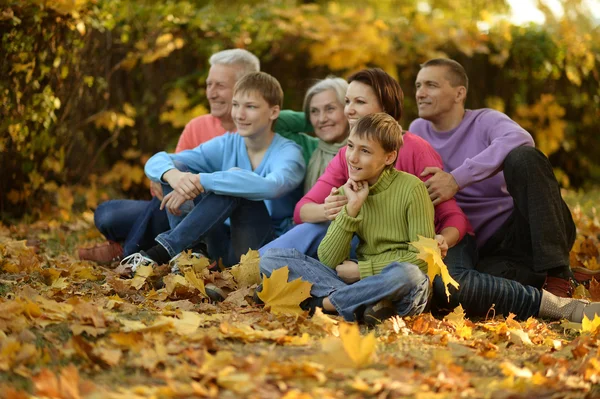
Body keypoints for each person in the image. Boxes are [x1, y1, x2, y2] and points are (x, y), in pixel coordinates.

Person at [260, 68, 470, 259]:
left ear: (385, 108)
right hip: (362, 248)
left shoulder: (414, 149)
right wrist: (329, 209)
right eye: (347, 101)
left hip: (408, 254)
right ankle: (253, 269)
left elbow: (452, 216)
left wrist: (441, 241)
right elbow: (302, 211)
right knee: (317, 228)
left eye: (359, 102)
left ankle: (257, 270)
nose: (349, 110)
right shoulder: (347, 154)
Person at [410, 58, 577, 298]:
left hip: (527, 227)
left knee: (523, 158)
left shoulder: (485, 120)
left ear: (459, 93)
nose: (420, 93)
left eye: (431, 85)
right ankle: (556, 276)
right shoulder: (417, 130)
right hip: (484, 249)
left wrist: (456, 179)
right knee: (473, 282)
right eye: (417, 86)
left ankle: (559, 273)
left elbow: (520, 138)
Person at [79, 49, 260, 264]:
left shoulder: (256, 134)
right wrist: (169, 177)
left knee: (172, 206)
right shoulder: (198, 125)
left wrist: (192, 185)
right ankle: (167, 249)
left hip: (221, 224)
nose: (211, 93)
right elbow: (166, 179)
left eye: (219, 86)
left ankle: (126, 252)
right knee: (107, 215)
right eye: (208, 84)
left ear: (244, 89)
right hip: (177, 211)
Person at [116, 72, 305, 275]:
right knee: (177, 167)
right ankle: (190, 256)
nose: (239, 115)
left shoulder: (289, 153)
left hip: (262, 251)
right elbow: (159, 160)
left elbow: (272, 186)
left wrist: (202, 180)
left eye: (250, 107)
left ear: (274, 112)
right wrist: (175, 176)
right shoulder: (228, 143)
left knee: (234, 183)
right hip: (220, 244)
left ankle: (163, 251)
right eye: (235, 105)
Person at [260, 113, 434, 325]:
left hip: (401, 288)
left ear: (389, 157)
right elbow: (328, 261)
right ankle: (366, 305)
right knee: (272, 259)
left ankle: (323, 304)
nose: (352, 157)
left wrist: (362, 270)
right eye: (350, 146)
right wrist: (351, 209)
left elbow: (424, 258)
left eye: (365, 151)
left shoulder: (412, 189)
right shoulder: (348, 191)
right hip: (356, 283)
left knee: (408, 274)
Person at [301, 77, 349, 193]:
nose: (322, 119)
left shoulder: (367, 153)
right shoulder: (306, 151)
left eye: (330, 109)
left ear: (348, 109)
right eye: (314, 111)